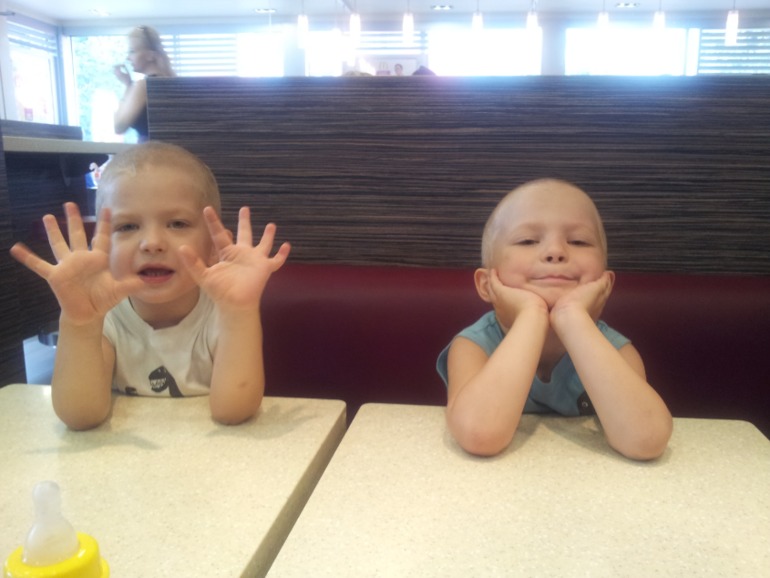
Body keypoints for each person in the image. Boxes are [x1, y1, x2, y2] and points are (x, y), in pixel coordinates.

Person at [10, 142, 290, 431]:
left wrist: (240, 312)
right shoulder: (106, 317)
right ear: (103, 250)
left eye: (177, 223)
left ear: (214, 248)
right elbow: (80, 416)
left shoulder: (223, 311)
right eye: (128, 226)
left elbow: (233, 412)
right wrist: (79, 324)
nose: (152, 243)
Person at [437, 179, 672, 460]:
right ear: (487, 285)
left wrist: (571, 317)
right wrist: (531, 315)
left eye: (578, 241)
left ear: (606, 284)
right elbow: (479, 434)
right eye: (527, 240)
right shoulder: (475, 346)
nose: (556, 251)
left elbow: (646, 440)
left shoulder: (617, 350)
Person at [113, 26, 175, 141]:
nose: (128, 58)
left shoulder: (144, 86)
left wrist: (127, 86)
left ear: (150, 55)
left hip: (150, 150)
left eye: (132, 51)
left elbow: (119, 126)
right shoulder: (172, 82)